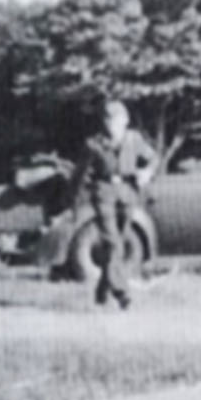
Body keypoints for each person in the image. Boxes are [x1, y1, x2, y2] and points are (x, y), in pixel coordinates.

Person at [78, 99, 157, 309]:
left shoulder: (134, 139)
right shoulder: (94, 144)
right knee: (113, 242)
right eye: (108, 119)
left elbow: (153, 158)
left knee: (117, 244)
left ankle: (101, 292)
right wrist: (77, 197)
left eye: (116, 119)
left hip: (127, 193)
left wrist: (146, 173)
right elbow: (82, 174)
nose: (111, 124)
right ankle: (122, 293)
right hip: (103, 192)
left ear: (126, 120)